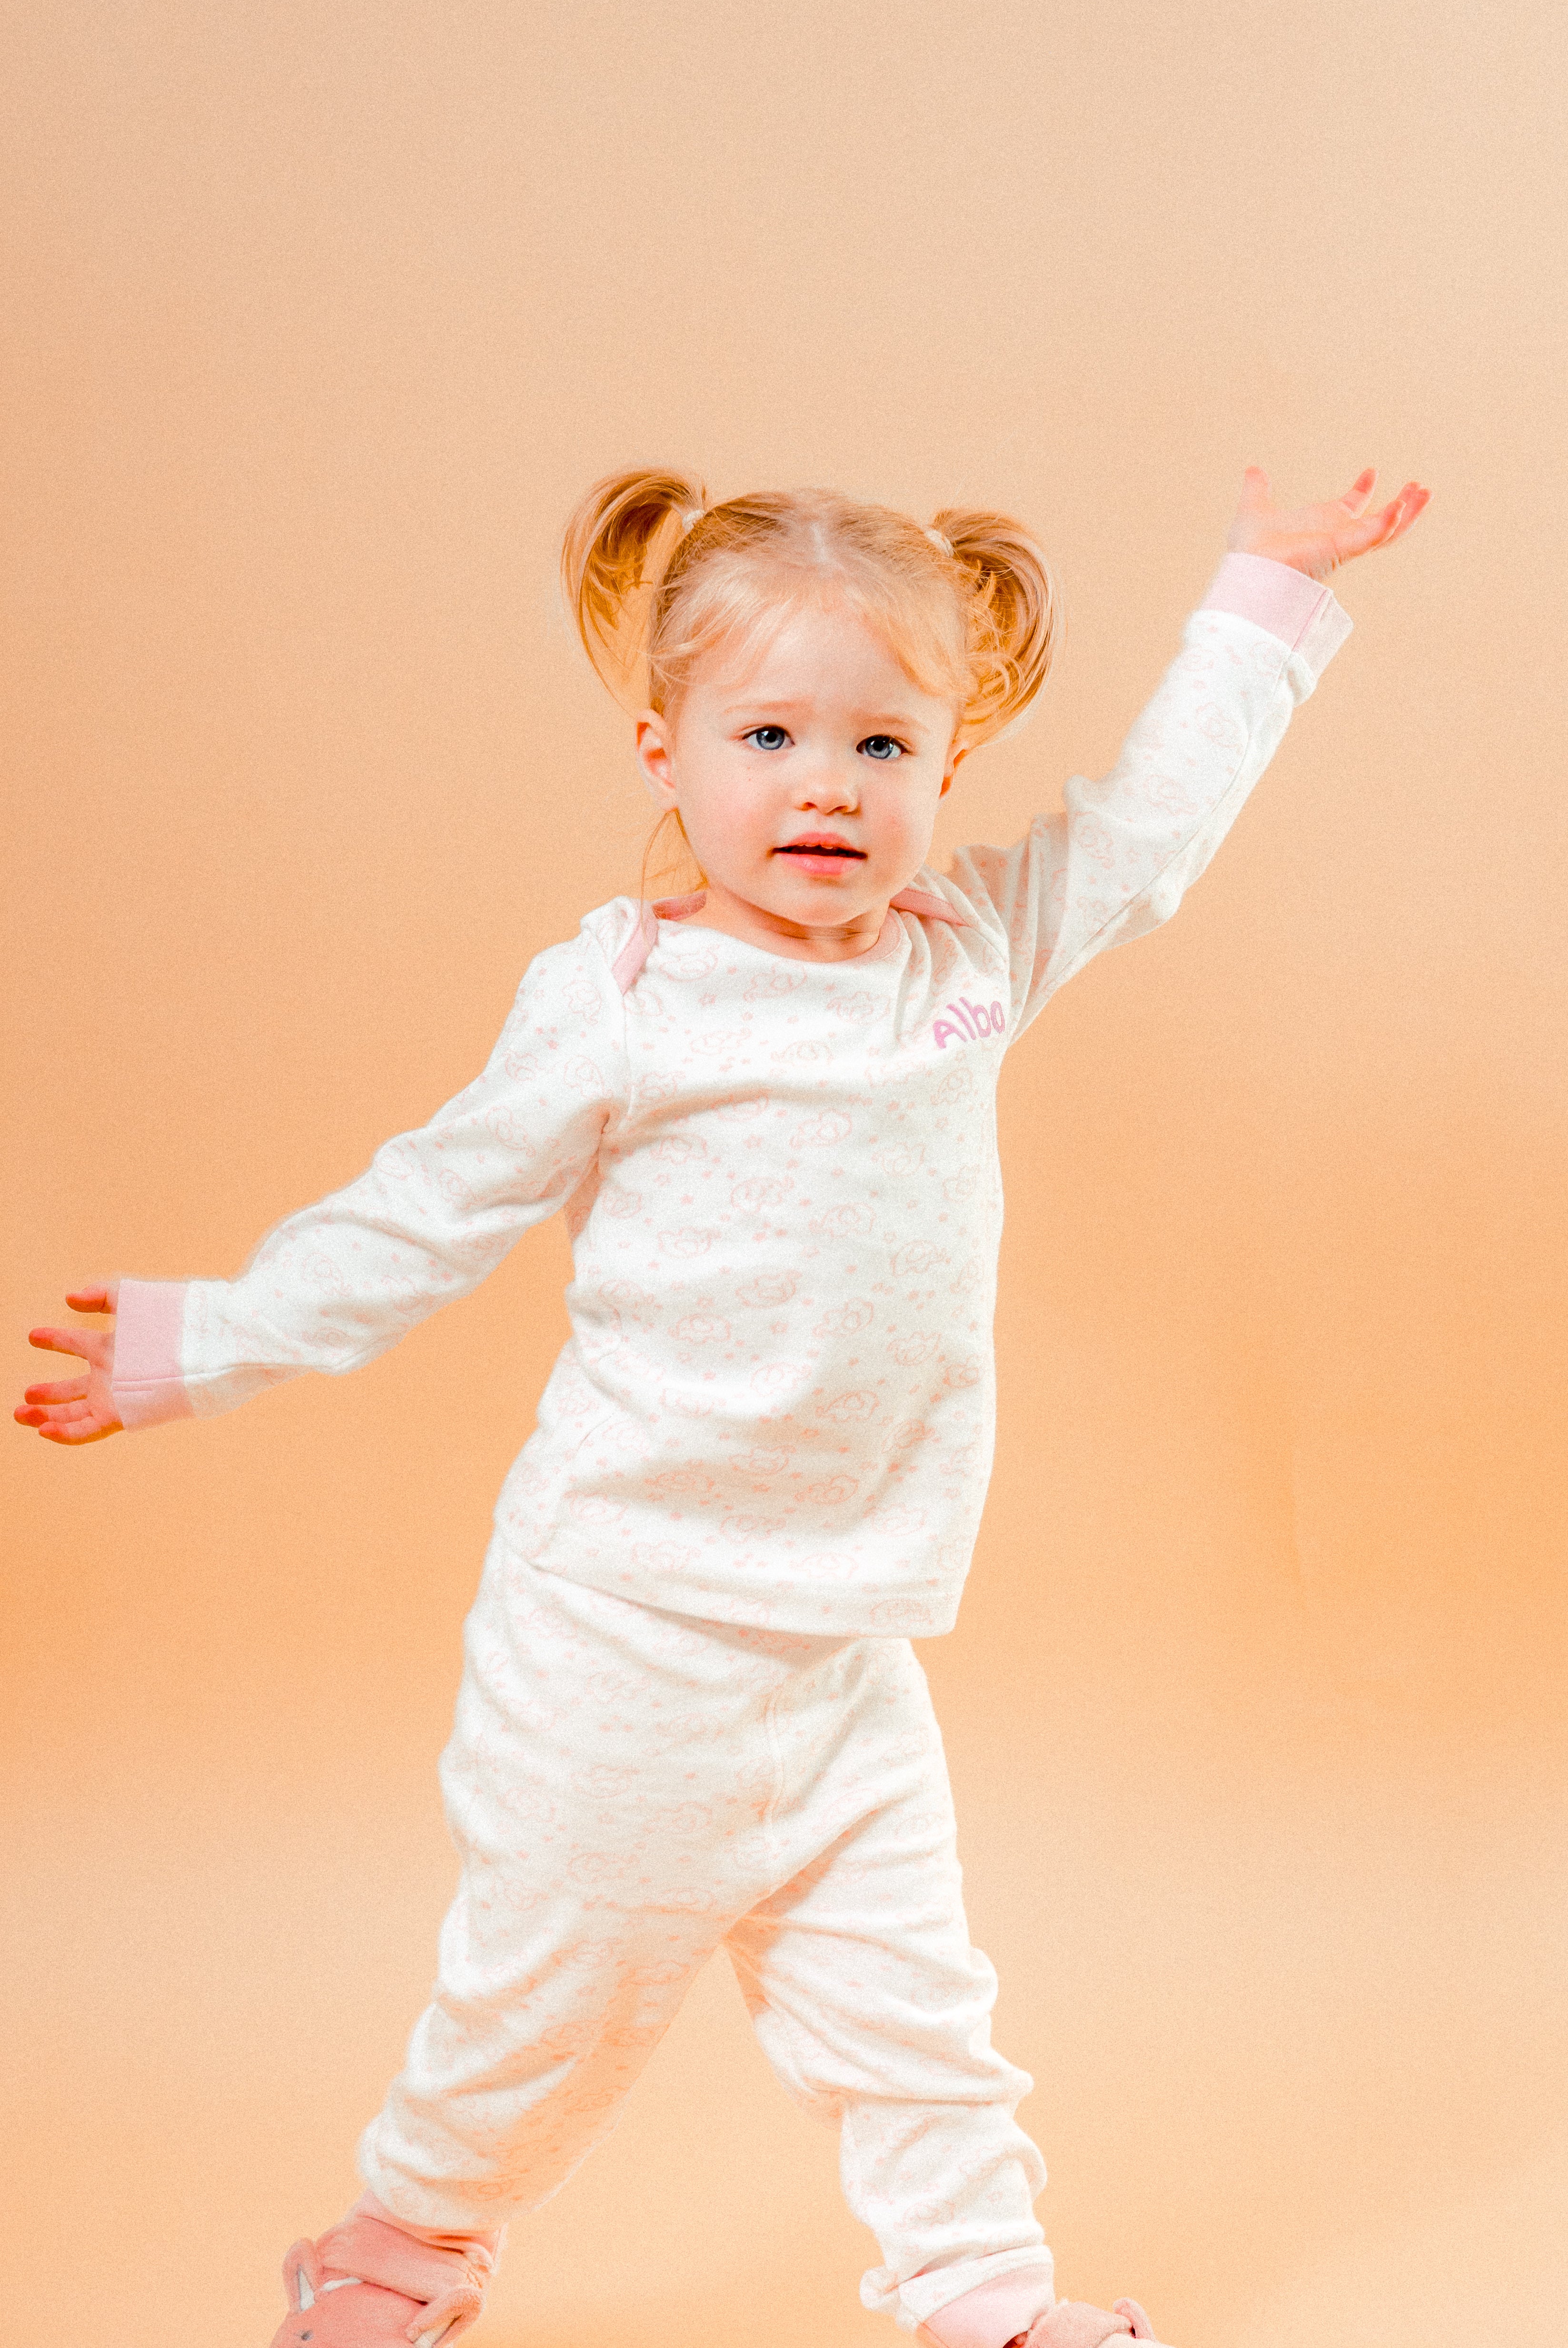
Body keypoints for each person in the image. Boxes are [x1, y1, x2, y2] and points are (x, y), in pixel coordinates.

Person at [15, 460, 1428, 2348]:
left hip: (843, 1639)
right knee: (554, 2000)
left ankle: (981, 2291)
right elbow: (431, 1209)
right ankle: (400, 2248)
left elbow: (1147, 837)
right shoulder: (622, 1000)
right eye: (768, 732)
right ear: (661, 748)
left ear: (946, 761)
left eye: (881, 740)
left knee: (913, 1998)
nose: (827, 783)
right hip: (625, 1630)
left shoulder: (962, 963)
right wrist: (206, 1342)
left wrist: (1259, 591)